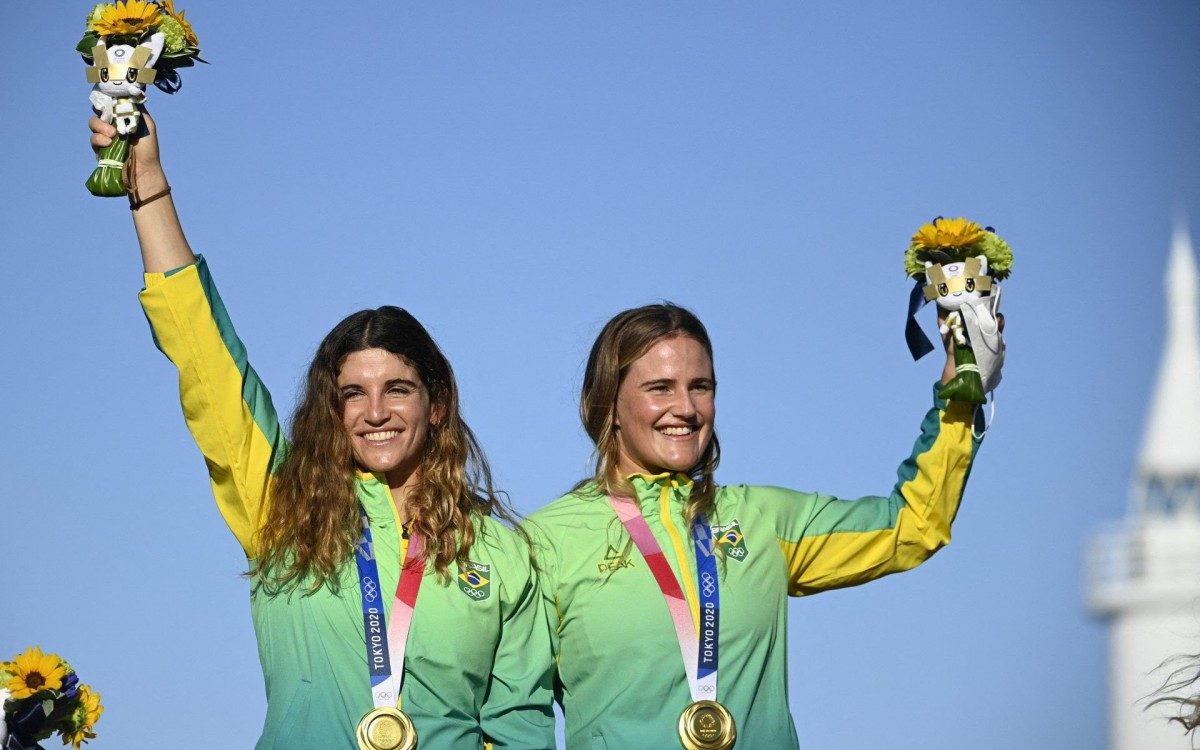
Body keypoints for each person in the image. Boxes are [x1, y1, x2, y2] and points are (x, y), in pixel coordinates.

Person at [90, 113, 554, 749]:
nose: (375, 412)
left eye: (398, 389)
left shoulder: (501, 555)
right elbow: (207, 361)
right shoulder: (282, 507)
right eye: (352, 394)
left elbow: (520, 729)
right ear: (331, 410)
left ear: (437, 404)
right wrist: (148, 181)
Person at [527, 302, 989, 749]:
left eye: (700, 386)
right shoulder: (547, 542)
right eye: (660, 388)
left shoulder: (762, 519)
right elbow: (513, 710)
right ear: (608, 403)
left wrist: (959, 391)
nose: (686, 408)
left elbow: (912, 524)